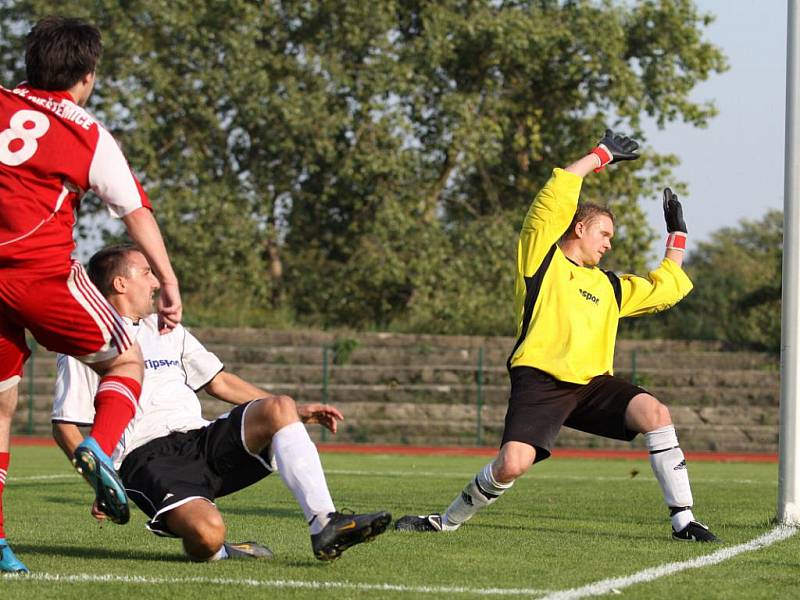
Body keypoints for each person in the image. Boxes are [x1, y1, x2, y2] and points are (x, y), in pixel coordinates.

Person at [395, 130, 720, 543]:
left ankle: (684, 522)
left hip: (593, 384)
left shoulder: (610, 286)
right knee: (512, 464)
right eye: (604, 234)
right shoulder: (541, 260)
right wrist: (599, 156)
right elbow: (553, 197)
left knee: (655, 414)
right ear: (580, 227)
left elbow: (664, 290)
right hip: (541, 381)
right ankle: (445, 521)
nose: (608, 244)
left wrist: (677, 236)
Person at [51, 246, 391, 562]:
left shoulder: (166, 329)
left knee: (278, 405)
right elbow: (65, 425)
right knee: (207, 535)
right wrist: (101, 482)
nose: (156, 282)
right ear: (120, 283)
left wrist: (296, 413)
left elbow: (219, 381)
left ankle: (324, 523)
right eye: (146, 273)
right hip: (148, 460)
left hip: (202, 440)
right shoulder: (85, 342)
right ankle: (223, 550)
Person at [0, 17, 183, 572]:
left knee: (2, 402)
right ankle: (101, 448)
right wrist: (168, 280)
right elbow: (135, 214)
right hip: (39, 278)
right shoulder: (88, 135)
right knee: (126, 358)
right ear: (85, 76)